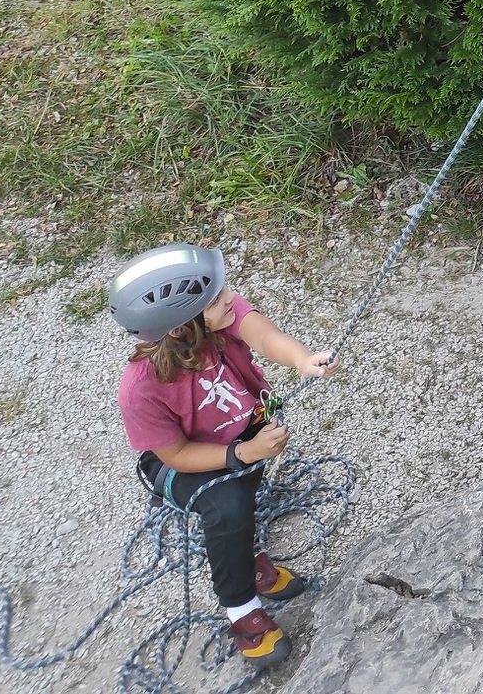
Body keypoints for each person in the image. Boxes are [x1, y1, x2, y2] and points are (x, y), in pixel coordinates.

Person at [109, 243, 341, 671]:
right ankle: (241, 609)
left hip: (234, 437)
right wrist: (242, 453)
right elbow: (176, 453)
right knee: (229, 505)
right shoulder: (139, 388)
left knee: (246, 484)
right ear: (181, 328)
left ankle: (245, 557)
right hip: (175, 465)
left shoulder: (215, 322)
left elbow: (264, 334)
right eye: (215, 299)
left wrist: (303, 360)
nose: (229, 297)